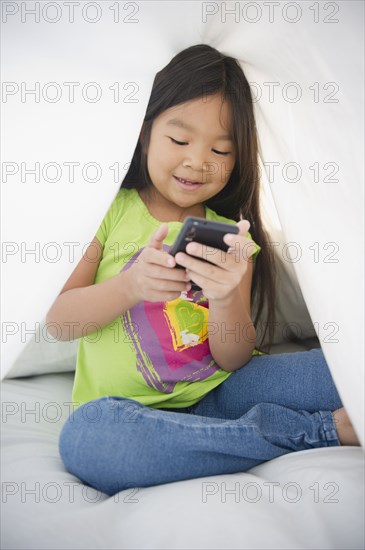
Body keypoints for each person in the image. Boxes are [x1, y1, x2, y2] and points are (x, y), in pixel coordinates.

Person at [47, 44, 359, 497]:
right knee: (88, 440)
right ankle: (312, 432)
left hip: (224, 393)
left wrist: (228, 295)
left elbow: (232, 357)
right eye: (179, 141)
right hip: (128, 412)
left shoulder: (233, 236)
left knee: (346, 367)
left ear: (238, 159)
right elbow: (60, 321)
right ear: (144, 133)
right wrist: (131, 285)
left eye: (221, 149)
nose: (198, 161)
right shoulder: (108, 211)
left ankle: (220, 438)